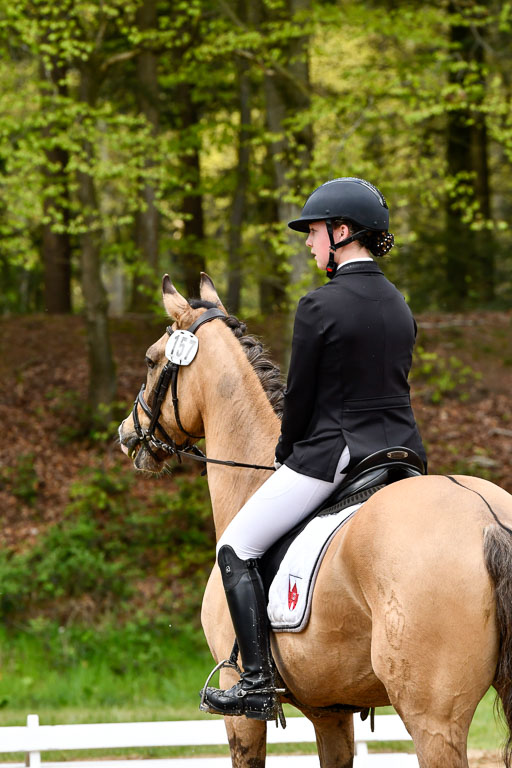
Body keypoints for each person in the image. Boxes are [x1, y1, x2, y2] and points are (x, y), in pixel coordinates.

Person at [202, 177, 427, 721]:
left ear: (341, 232)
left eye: (315, 231)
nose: (308, 242)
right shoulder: (399, 305)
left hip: (336, 454)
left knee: (236, 547)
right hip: (403, 456)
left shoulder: (319, 306)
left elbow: (300, 400)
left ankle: (256, 680)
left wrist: (286, 450)